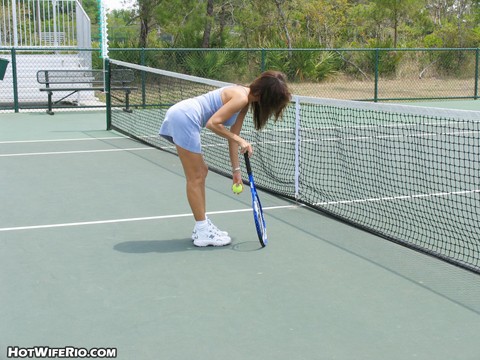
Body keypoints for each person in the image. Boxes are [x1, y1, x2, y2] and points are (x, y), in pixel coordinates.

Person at [159, 71, 291, 247]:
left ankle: (202, 226)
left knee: (200, 172)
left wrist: (236, 171)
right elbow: (213, 123)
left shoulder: (245, 100)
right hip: (185, 117)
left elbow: (233, 136)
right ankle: (202, 229)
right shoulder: (241, 97)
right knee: (196, 175)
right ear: (262, 95)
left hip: (183, 115)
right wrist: (240, 140)